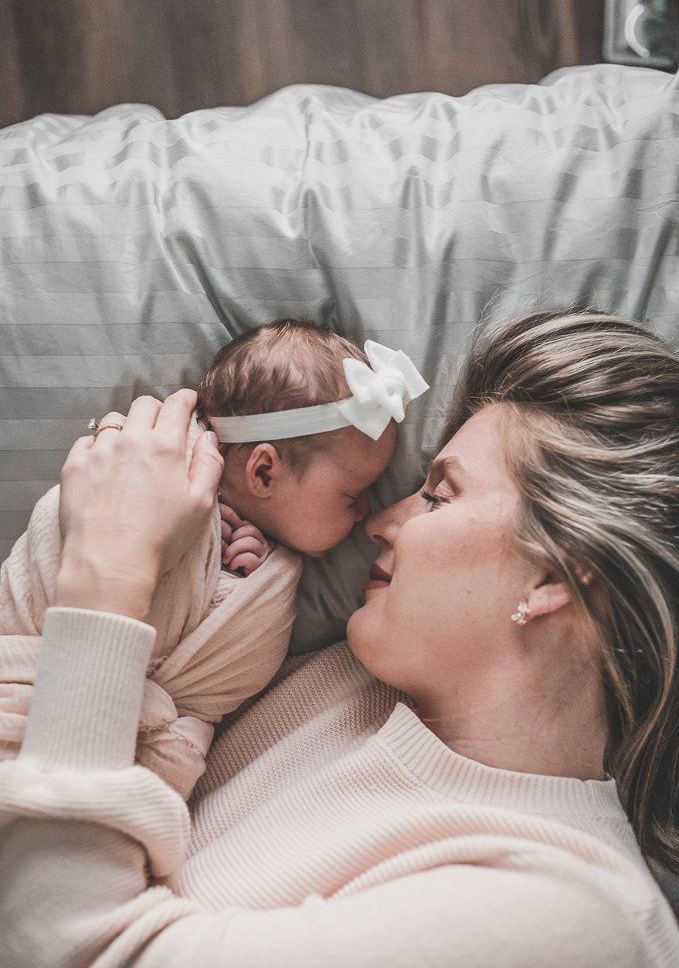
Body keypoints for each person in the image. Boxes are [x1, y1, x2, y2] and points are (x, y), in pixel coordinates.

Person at [0, 310, 679, 968]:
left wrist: (106, 578)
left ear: (552, 574)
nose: (378, 522)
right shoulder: (352, 681)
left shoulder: (576, 936)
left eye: (438, 494)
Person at [0, 319, 413, 796]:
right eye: (353, 494)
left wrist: (236, 578)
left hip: (107, 713)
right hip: (38, 678)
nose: (366, 515)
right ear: (262, 472)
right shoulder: (145, 475)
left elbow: (213, 652)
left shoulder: (268, 564)